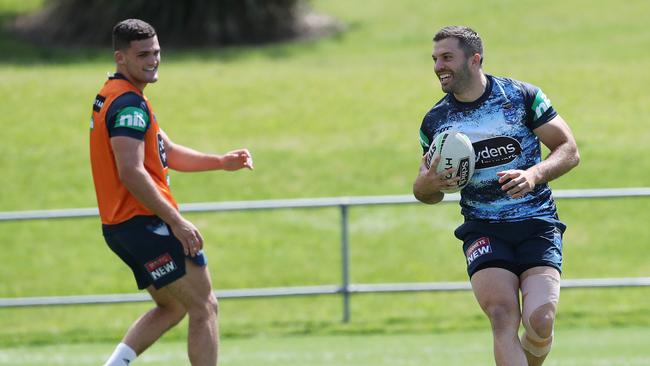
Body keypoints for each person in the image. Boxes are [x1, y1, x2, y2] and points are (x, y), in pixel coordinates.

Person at [89, 19, 253, 366]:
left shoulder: (116, 96)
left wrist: (220, 162)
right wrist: (176, 222)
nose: (154, 60)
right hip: (145, 223)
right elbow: (131, 171)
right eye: (143, 54)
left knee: (173, 305)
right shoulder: (129, 106)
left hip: (123, 228)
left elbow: (167, 152)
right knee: (204, 305)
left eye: (157, 51)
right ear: (121, 57)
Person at [413, 26, 579, 365]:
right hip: (483, 228)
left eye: (447, 57)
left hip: (536, 222)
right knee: (503, 316)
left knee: (541, 320)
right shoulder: (436, 122)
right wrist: (430, 183)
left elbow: (569, 149)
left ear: (475, 59)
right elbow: (423, 192)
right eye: (435, 59)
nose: (438, 66)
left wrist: (534, 174)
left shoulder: (521, 97)